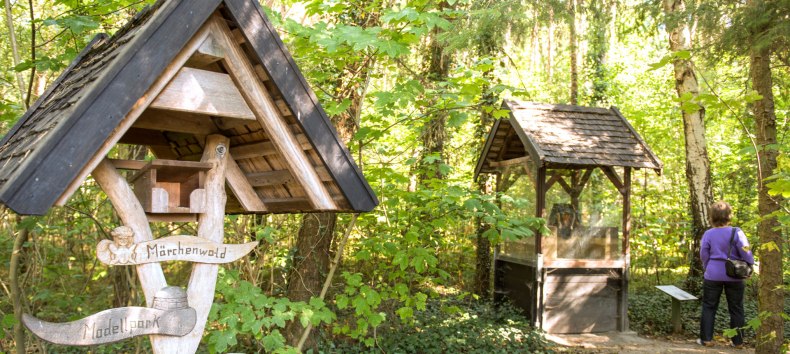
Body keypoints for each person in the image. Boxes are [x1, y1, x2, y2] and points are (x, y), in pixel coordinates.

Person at [699, 201, 754, 348]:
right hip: (735, 275)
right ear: (729, 215)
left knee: (709, 307)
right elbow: (746, 252)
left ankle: (707, 339)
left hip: (713, 274)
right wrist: (750, 266)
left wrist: (707, 267)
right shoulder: (737, 232)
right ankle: (738, 342)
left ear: (712, 216)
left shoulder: (708, 234)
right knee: (736, 308)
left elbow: (704, 254)